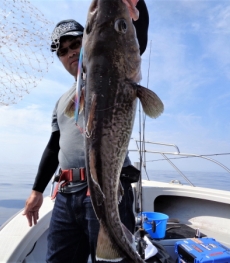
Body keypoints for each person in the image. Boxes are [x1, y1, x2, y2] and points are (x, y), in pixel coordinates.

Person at [23, 1, 149, 262]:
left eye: (75, 44)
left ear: (88, 42)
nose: (70, 53)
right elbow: (54, 145)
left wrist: (135, 7)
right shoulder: (62, 102)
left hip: (105, 189)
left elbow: (130, 38)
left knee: (112, 258)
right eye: (63, 50)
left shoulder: (117, 70)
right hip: (66, 195)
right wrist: (37, 190)